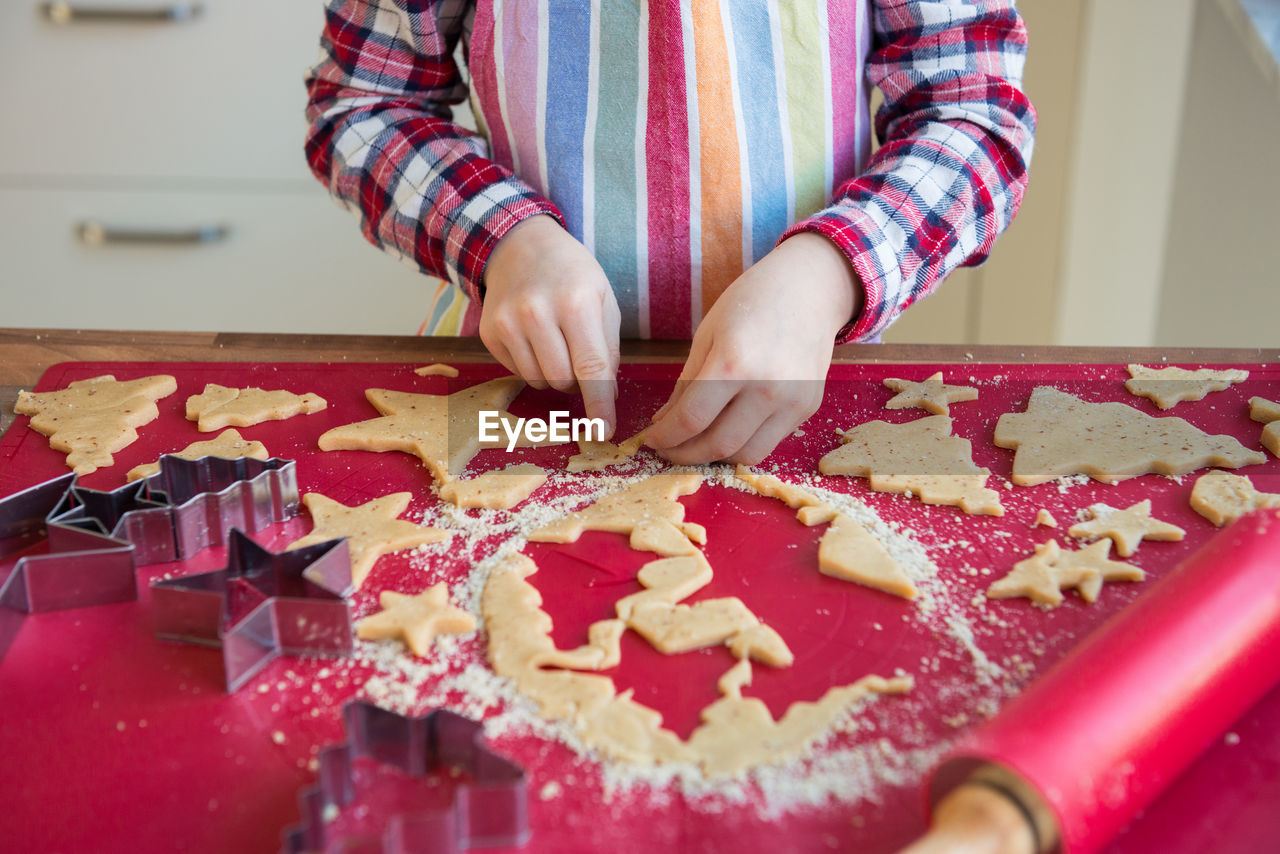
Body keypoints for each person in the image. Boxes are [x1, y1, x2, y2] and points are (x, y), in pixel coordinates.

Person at [304, 0, 1035, 465]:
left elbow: (974, 116)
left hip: (806, 399)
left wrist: (827, 274)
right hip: (531, 408)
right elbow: (362, 108)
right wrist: (504, 236)